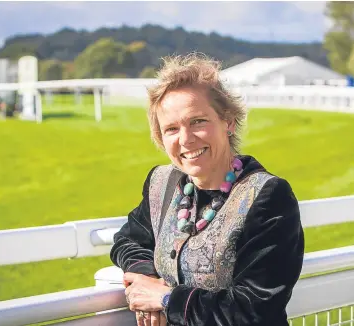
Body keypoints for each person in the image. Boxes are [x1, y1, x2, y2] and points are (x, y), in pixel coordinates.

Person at [110, 53, 304, 326]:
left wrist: (166, 299)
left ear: (228, 122)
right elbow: (129, 239)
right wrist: (144, 277)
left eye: (198, 121)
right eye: (172, 129)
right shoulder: (162, 184)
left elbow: (255, 309)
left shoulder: (267, 197)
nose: (186, 139)